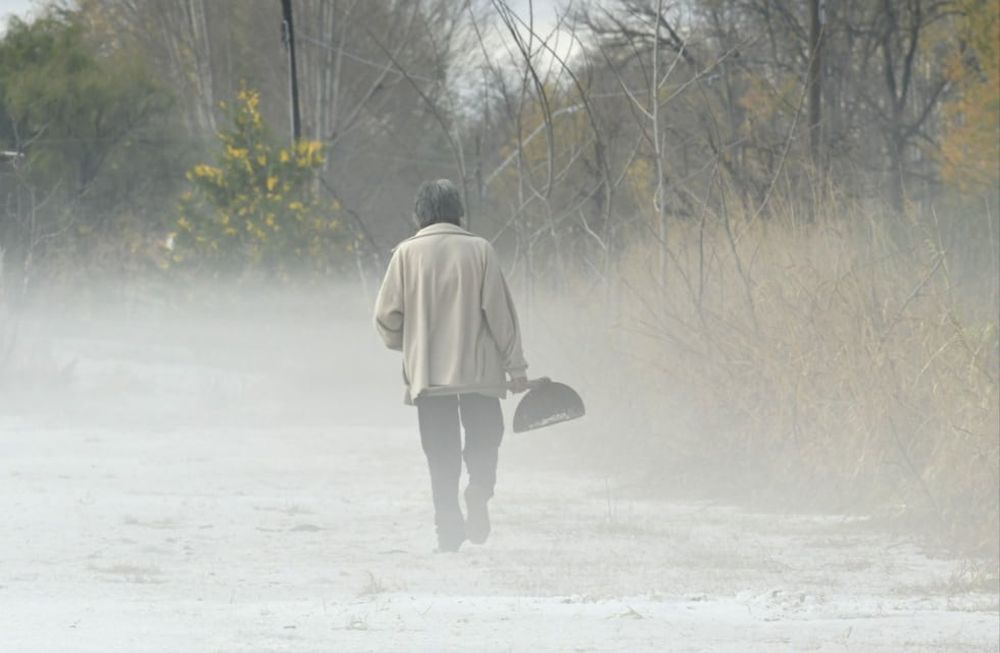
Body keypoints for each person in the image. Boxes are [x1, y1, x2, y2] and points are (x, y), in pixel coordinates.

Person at [373, 179, 529, 552]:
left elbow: (385, 317)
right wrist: (516, 367)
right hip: (480, 373)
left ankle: (448, 532)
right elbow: (500, 315)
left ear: (420, 214)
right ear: (457, 211)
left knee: (439, 454)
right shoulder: (480, 250)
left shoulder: (406, 254)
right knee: (486, 437)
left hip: (430, 376)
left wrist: (409, 346)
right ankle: (479, 488)